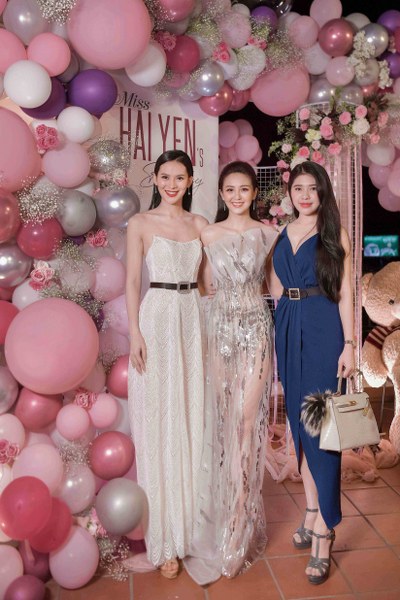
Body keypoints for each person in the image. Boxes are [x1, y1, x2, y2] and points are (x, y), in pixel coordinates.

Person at [184, 161, 278, 584]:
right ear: (221, 194)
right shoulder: (208, 234)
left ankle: (240, 526)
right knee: (224, 422)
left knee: (246, 420)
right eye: (230, 190)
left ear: (253, 193)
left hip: (257, 329)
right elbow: (204, 285)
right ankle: (222, 521)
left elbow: (274, 286)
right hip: (221, 328)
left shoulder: (269, 234)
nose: (237, 196)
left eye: (244, 189)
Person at [267, 160, 355, 585]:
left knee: (321, 429)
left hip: (323, 330)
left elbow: (345, 292)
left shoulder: (334, 234)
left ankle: (325, 527)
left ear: (323, 193)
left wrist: (350, 344)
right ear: (290, 193)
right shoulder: (282, 233)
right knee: (299, 428)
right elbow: (275, 288)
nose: (304, 195)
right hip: (288, 327)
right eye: (298, 188)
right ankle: (311, 508)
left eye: (312, 188)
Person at [126, 149, 208, 579]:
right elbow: (131, 282)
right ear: (155, 179)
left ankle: (193, 532)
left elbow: (208, 284)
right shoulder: (140, 223)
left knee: (192, 415)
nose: (171, 184)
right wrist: (134, 334)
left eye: (179, 177)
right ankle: (165, 540)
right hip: (156, 318)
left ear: (190, 180)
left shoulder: (200, 225)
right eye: (165, 176)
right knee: (159, 420)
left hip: (192, 318)